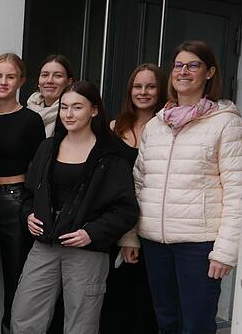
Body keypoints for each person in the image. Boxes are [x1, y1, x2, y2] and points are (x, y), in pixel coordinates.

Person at [120, 41, 242, 334]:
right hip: (155, 243)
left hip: (199, 245)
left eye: (193, 65)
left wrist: (225, 252)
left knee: (197, 326)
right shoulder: (157, 125)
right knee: (166, 322)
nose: (184, 72)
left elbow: (238, 191)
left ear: (210, 72)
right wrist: (130, 236)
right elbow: (139, 184)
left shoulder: (226, 123)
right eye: (178, 65)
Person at [11, 81, 139, 334]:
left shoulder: (111, 155)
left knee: (81, 324)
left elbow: (126, 210)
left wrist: (92, 233)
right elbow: (28, 194)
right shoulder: (48, 147)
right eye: (64, 107)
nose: (68, 114)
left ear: (94, 110)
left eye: (77, 107)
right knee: (25, 317)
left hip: (86, 250)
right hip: (45, 244)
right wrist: (28, 215)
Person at [0, 53, 45, 334]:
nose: (3, 82)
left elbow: (39, 171)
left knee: (17, 280)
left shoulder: (31, 120)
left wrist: (33, 208)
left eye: (10, 76)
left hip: (15, 203)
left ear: (21, 81)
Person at [100, 63, 166, 334]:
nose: (143, 92)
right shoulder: (114, 128)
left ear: (161, 90)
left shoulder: (168, 127)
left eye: (151, 86)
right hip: (117, 224)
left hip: (152, 223)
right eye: (138, 86)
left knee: (146, 302)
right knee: (114, 299)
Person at [27, 54, 75, 137]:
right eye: (45, 75)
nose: (49, 81)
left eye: (58, 76)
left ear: (69, 82)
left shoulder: (73, 117)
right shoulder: (27, 112)